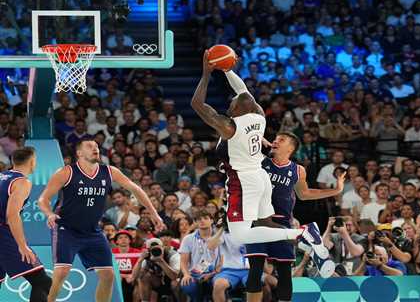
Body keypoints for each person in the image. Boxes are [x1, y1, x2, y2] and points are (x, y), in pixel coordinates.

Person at [191, 51, 319, 248]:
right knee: (265, 223)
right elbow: (242, 90)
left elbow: (197, 104)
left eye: (232, 103)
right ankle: (306, 242)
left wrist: (206, 73)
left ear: (236, 110)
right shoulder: (259, 115)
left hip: (243, 181)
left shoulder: (228, 126)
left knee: (240, 236)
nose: (230, 103)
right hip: (259, 177)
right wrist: (226, 69)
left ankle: (302, 232)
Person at [38, 139, 164, 302]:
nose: (95, 148)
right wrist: (49, 214)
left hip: (92, 231)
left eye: (97, 146)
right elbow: (43, 199)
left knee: (108, 275)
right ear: (79, 153)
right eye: (90, 146)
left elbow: (136, 189)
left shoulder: (110, 171)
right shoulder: (66, 172)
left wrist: (154, 214)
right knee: (62, 272)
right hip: (66, 229)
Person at [245, 132, 345, 302]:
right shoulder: (260, 161)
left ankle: (305, 235)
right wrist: (255, 136)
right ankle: (305, 235)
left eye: (281, 140)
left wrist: (336, 190)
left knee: (284, 271)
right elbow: (242, 143)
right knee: (256, 269)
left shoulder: (298, 170)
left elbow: (304, 194)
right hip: (257, 221)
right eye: (275, 139)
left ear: (291, 148)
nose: (275, 141)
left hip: (282, 222)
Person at [0, 147, 52, 301]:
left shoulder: (1, 176)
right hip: (3, 234)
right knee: (42, 282)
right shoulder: (22, 182)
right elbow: (12, 215)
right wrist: (22, 246)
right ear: (32, 161)